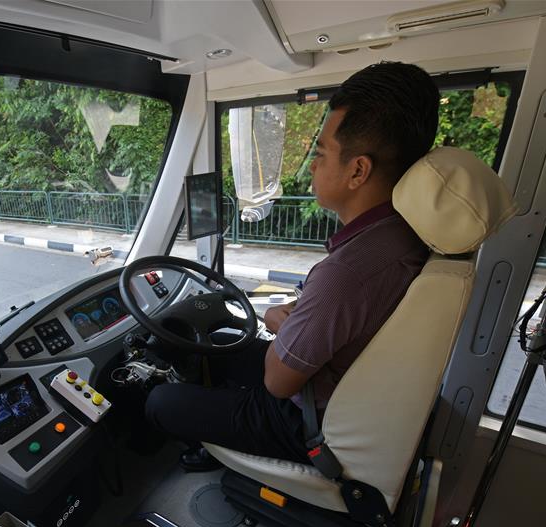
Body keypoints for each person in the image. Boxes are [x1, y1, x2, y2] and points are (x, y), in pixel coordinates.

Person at [145, 61, 437, 471]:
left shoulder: (348, 271)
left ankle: (214, 449)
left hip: (308, 420)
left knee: (160, 401)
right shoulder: (401, 236)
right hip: (345, 391)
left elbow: (277, 382)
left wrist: (281, 323)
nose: (313, 166)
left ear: (358, 170)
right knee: (218, 348)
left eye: (320, 154)